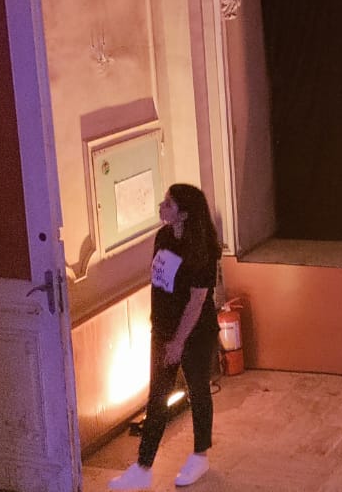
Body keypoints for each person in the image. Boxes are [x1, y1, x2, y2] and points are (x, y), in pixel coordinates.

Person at [109, 183, 221, 490]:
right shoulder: (163, 237)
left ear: (184, 214)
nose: (162, 206)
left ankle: (200, 455)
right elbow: (160, 283)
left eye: (169, 204)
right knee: (157, 395)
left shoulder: (202, 249)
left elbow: (197, 301)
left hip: (195, 332)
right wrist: (162, 331)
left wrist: (179, 341)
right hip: (162, 329)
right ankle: (143, 467)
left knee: (198, 391)